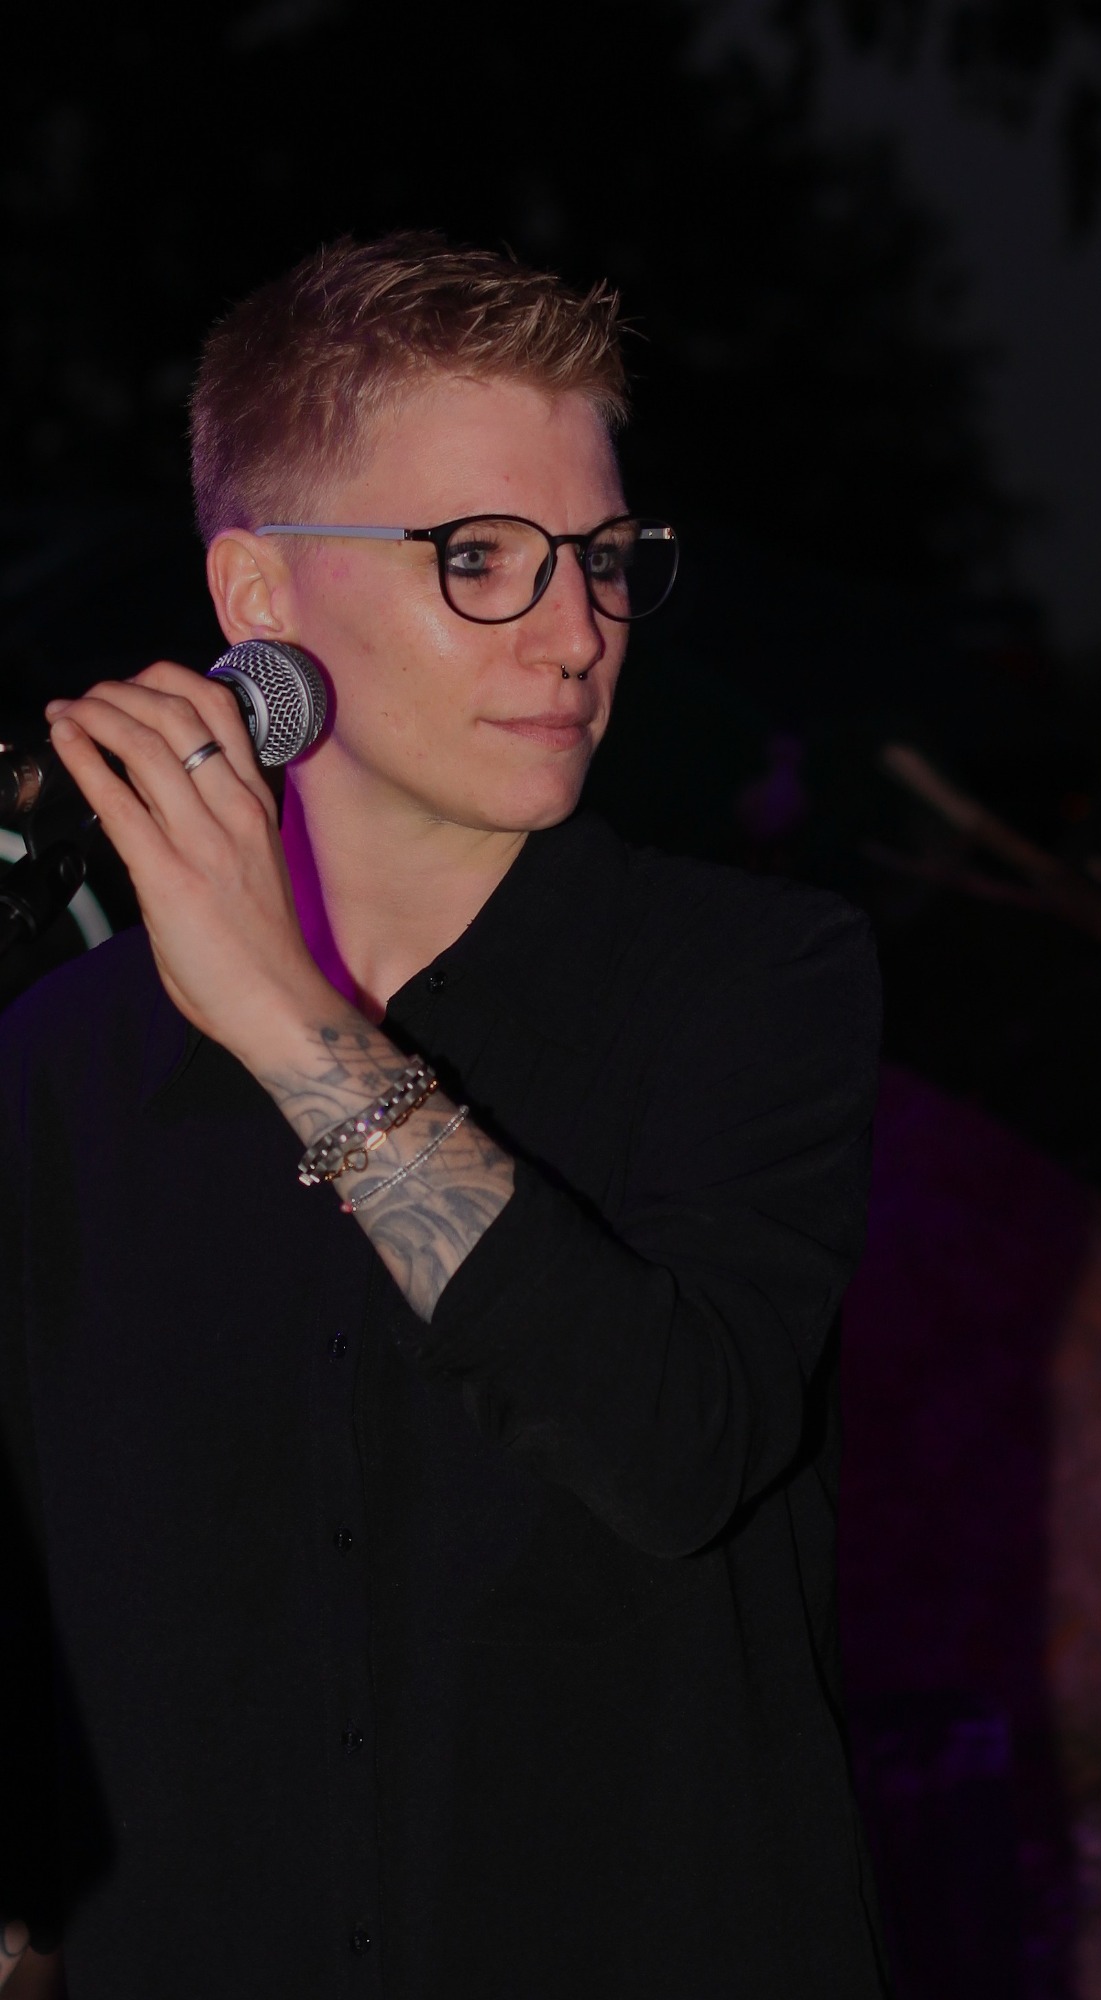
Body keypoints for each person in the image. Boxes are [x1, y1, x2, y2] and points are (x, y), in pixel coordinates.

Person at [0, 234, 887, 1999]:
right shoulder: (59, 1065)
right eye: (479, 558)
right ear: (258, 597)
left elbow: (675, 1450)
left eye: (603, 558)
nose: (577, 632)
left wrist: (291, 1027)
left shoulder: (752, 983)